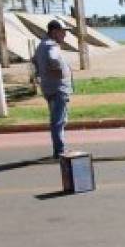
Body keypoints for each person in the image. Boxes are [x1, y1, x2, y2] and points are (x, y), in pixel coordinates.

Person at [32, 20, 73, 158]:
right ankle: (60, 151)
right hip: (58, 89)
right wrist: (58, 71)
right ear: (54, 32)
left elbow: (34, 60)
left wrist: (41, 73)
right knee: (58, 121)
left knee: (58, 120)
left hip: (49, 88)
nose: (65, 35)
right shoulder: (51, 45)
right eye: (63, 31)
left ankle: (59, 149)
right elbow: (53, 58)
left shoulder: (41, 45)